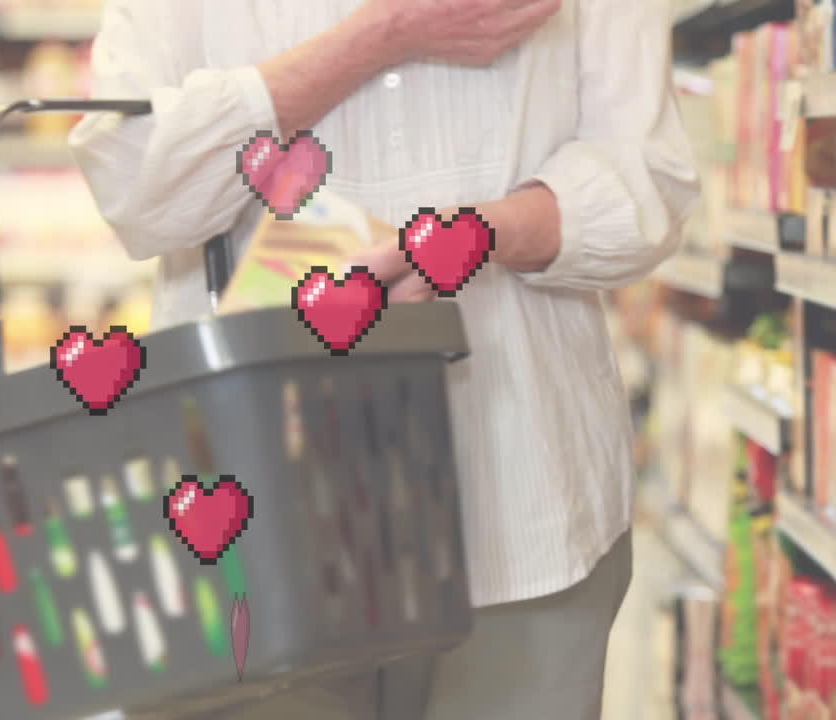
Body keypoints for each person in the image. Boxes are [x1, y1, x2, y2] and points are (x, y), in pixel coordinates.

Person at [70, 1, 700, 718]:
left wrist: (480, 235)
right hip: (262, 507)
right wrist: (382, 35)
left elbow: (646, 180)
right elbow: (133, 187)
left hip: (523, 495)